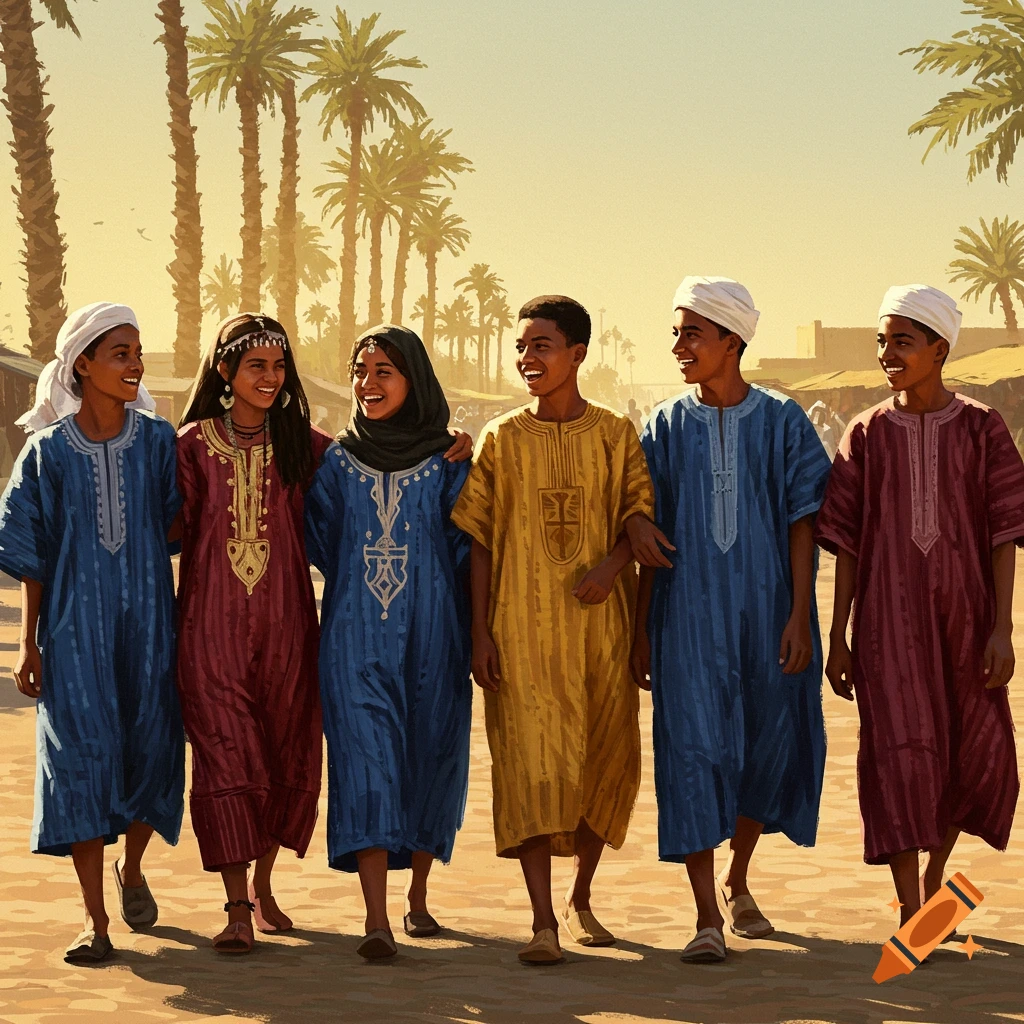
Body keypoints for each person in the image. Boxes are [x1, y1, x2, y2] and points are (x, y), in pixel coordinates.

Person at [452, 295, 667, 965]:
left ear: (577, 354)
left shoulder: (614, 433)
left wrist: (609, 569)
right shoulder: (501, 438)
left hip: (601, 634)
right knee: (531, 768)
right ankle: (542, 920)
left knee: (604, 762)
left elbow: (640, 516)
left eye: (541, 345)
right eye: (522, 347)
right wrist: (481, 632)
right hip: (521, 634)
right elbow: (480, 540)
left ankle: (581, 897)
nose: (527, 359)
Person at [632, 277, 831, 964]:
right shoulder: (661, 425)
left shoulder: (782, 421)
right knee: (690, 753)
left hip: (769, 613)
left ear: (732, 342)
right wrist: (638, 629)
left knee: (764, 749)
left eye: (692, 332)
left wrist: (801, 616)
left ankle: (739, 877)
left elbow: (803, 520)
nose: (679, 346)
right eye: (677, 331)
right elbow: (642, 527)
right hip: (684, 617)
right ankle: (706, 915)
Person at [816, 284, 1024, 929]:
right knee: (899, 750)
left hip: (965, 624)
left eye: (902, 341)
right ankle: (911, 903)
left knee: (972, 749)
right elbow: (846, 542)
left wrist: (1001, 629)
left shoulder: (982, 427)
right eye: (882, 341)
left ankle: (935, 879)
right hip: (888, 625)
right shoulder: (867, 432)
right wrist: (838, 636)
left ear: (940, 348)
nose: (888, 353)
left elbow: (1003, 532)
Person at [0, 302, 184, 963]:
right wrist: (29, 642)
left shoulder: (159, 442)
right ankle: (94, 921)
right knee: (77, 762)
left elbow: (182, 522)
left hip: (149, 631)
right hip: (74, 635)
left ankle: (131, 868)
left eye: (138, 353)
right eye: (121, 354)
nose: (135, 365)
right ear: (83, 364)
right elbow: (32, 553)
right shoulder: (46, 453)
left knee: (148, 751)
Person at [305, 324, 474, 960]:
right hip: (351, 639)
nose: (368, 383)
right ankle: (375, 916)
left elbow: (470, 553)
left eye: (385, 371)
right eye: (360, 370)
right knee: (365, 762)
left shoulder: (449, 464)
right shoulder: (335, 466)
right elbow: (320, 544)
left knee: (430, 756)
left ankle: (419, 897)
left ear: (414, 381)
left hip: (436, 639)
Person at [176, 313, 331, 954]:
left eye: (278, 365)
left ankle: (265, 886)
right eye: (255, 366)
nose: (270, 378)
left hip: (289, 628)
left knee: (283, 750)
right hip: (207, 630)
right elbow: (164, 525)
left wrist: (448, 441)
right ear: (225, 373)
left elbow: (379, 463)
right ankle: (236, 905)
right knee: (225, 758)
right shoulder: (188, 446)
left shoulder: (306, 444)